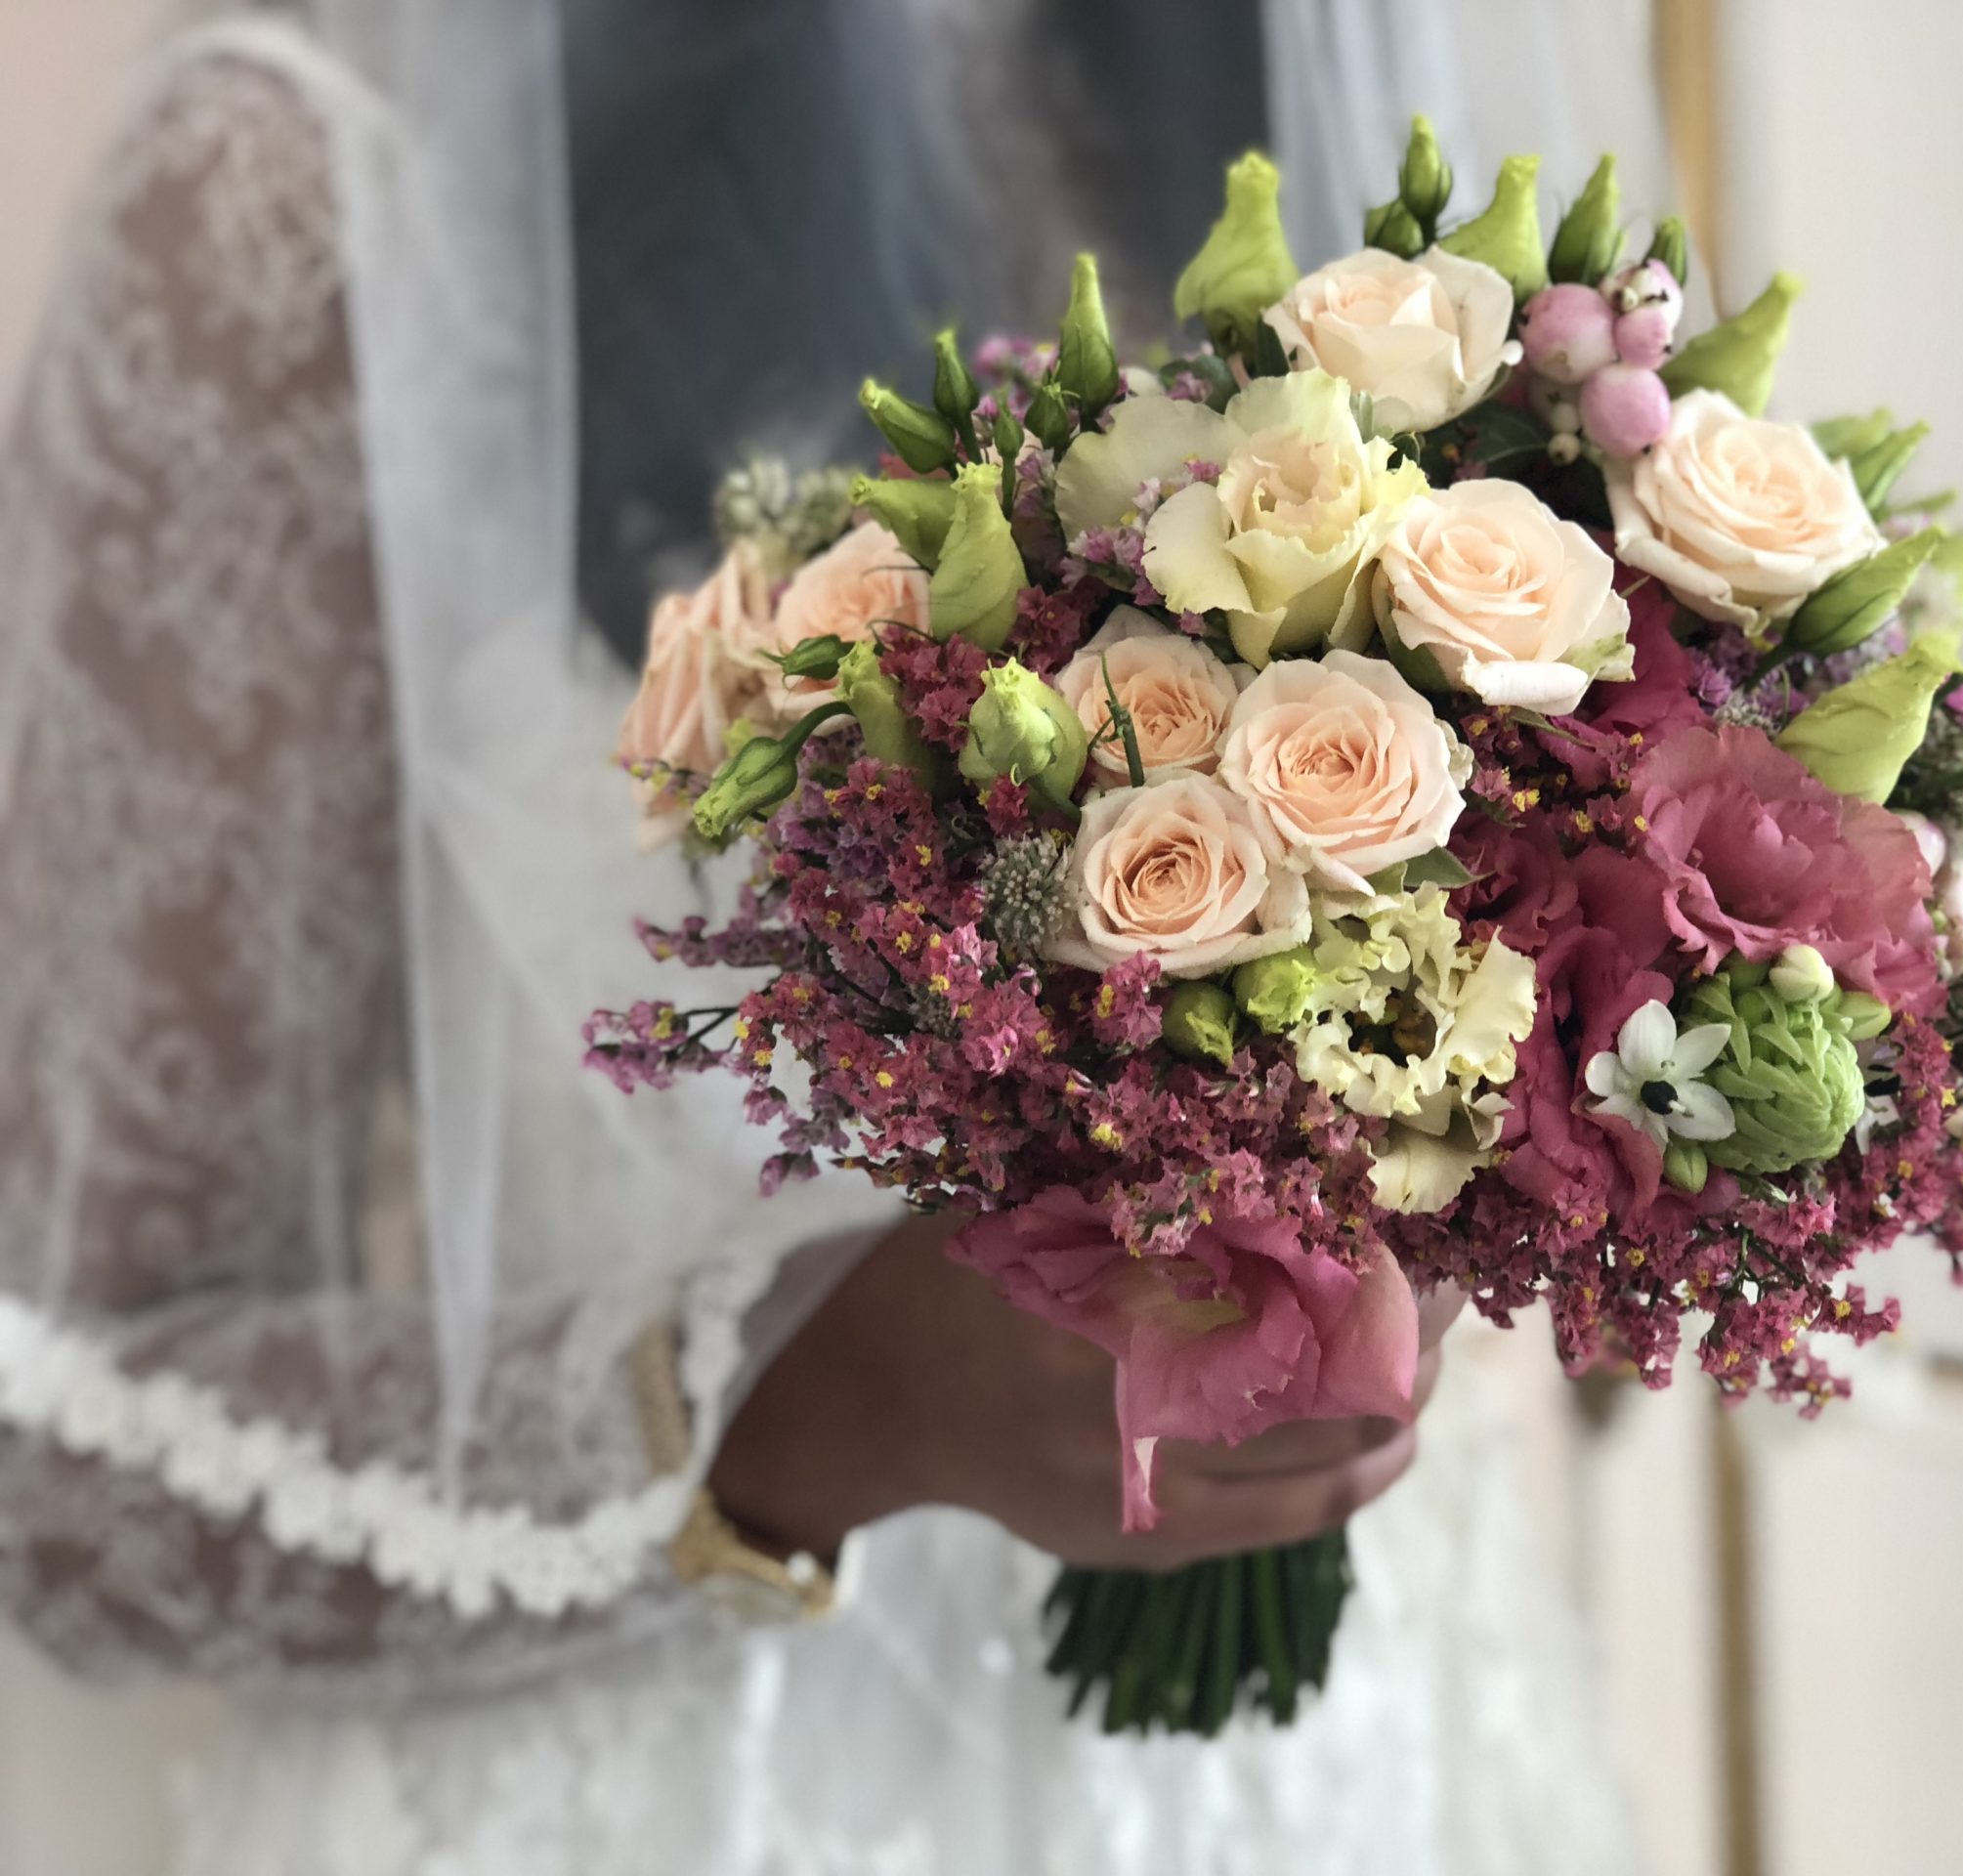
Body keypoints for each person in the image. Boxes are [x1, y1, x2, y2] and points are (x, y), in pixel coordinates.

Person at [0, 2, 1657, 1871]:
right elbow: (57, 1467)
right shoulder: (298, 201)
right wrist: (784, 1409)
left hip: (1361, 1783)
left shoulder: (1299, 106)